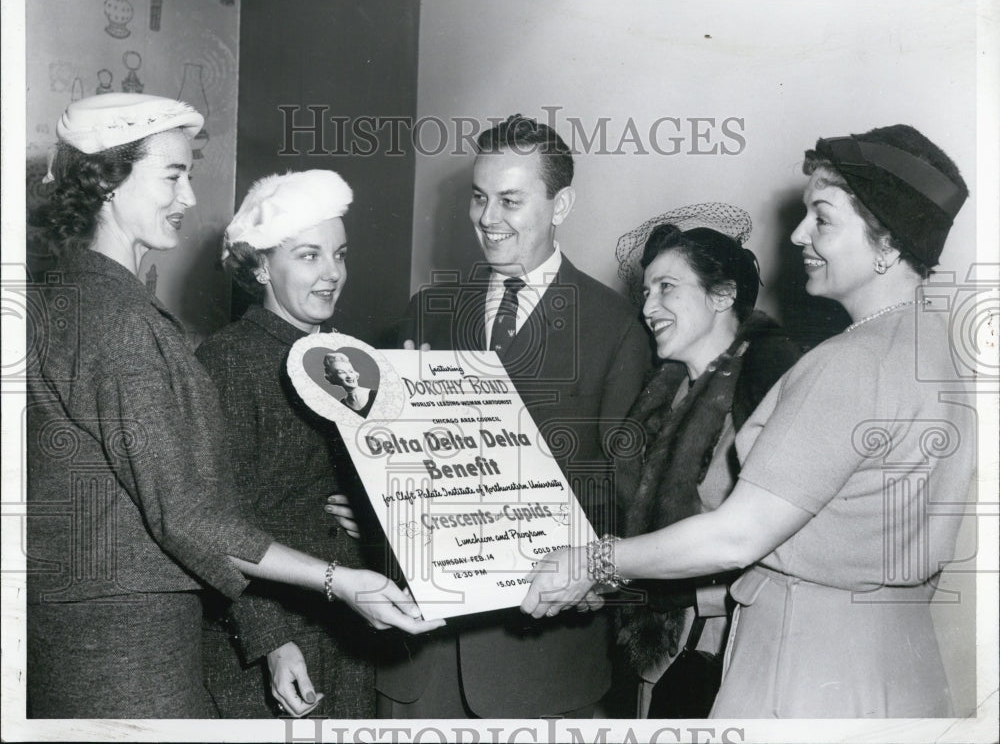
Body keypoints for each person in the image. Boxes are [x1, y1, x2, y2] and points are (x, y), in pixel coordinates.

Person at [521, 123, 976, 718]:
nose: (797, 233)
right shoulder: (933, 349)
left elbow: (738, 533)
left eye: (823, 218)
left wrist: (594, 561)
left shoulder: (851, 362)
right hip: (900, 661)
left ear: (887, 242)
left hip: (808, 665)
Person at [25, 95, 442, 719]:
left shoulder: (89, 298)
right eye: (173, 174)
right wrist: (333, 585)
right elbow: (191, 513)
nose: (190, 197)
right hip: (123, 641)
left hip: (119, 627)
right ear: (108, 180)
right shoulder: (117, 319)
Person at [366, 113, 651, 718]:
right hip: (423, 658)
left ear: (561, 203)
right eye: (479, 197)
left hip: (542, 664)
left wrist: (595, 577)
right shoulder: (428, 311)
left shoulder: (615, 328)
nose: (488, 218)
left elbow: (625, 499)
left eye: (511, 200)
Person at [197, 169, 389, 718]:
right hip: (267, 640)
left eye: (340, 254)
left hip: (348, 624)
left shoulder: (350, 359)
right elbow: (215, 523)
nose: (332, 274)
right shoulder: (227, 361)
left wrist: (373, 512)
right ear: (260, 265)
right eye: (309, 256)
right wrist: (271, 641)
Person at [611, 207, 802, 717]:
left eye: (667, 287)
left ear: (722, 295)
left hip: (733, 651)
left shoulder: (770, 394)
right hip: (662, 652)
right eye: (646, 292)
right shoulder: (662, 395)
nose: (649, 306)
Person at [324, 351, 377, 417]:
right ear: (333, 378)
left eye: (351, 371)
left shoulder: (375, 395)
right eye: (341, 372)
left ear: (355, 373)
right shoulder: (342, 405)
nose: (349, 376)